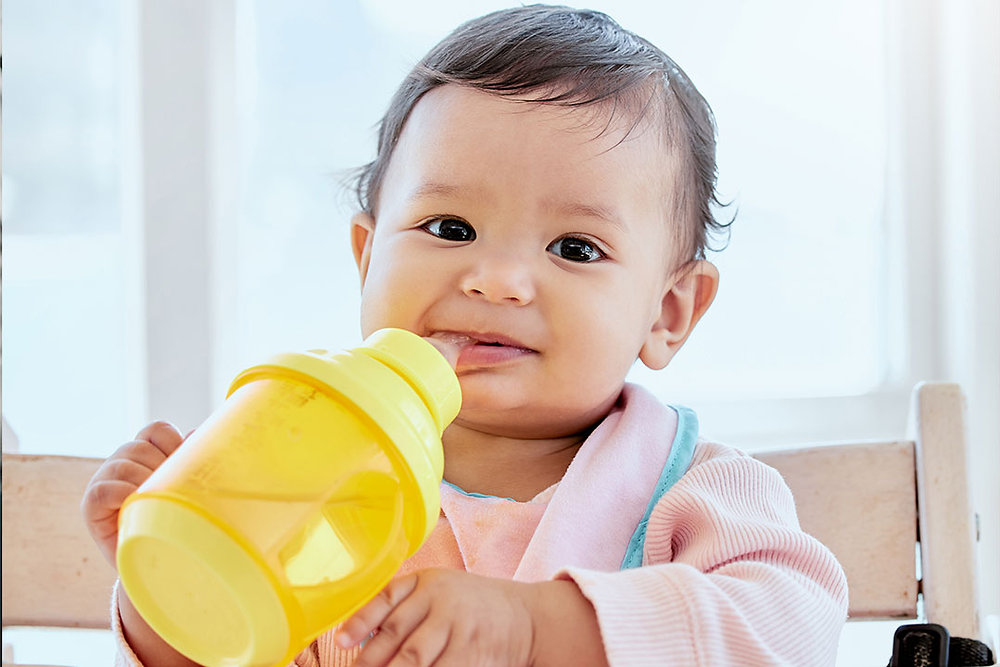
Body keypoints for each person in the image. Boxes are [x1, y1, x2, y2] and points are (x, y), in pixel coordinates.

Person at [83, 5, 848, 666]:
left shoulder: (695, 490)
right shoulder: (302, 474)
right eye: (450, 227)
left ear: (668, 312)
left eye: (575, 248)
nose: (498, 280)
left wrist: (532, 629)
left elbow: (786, 630)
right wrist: (174, 583)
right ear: (366, 256)